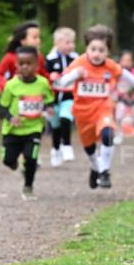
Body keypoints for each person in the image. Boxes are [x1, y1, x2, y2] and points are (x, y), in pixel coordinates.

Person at [53, 25, 134, 189]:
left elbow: (126, 75)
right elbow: (61, 82)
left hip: (103, 108)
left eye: (102, 50)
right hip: (83, 112)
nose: (97, 54)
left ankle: (105, 171)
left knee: (108, 134)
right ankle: (96, 167)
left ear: (108, 51)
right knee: (89, 147)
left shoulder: (110, 66)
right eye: (93, 49)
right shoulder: (79, 63)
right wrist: (76, 75)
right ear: (87, 49)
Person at [0, 46, 54, 200]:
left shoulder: (43, 83)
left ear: (37, 65)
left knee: (31, 158)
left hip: (34, 128)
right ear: (16, 65)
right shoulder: (11, 85)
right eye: (21, 63)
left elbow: (49, 99)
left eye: (29, 63)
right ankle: (14, 164)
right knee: (8, 160)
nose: (25, 67)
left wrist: (49, 108)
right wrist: (11, 118)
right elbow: (2, 107)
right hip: (13, 130)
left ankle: (28, 186)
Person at [45, 27, 78, 166]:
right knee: (56, 126)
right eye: (67, 42)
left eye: (72, 42)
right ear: (57, 43)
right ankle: (56, 149)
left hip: (68, 97)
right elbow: (43, 77)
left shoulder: (76, 59)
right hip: (53, 98)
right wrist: (50, 76)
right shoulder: (50, 59)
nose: (71, 45)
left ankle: (67, 146)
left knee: (66, 118)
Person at [0, 21, 48, 93]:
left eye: (39, 37)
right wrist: (7, 87)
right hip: (17, 96)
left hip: (36, 96)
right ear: (22, 40)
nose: (39, 40)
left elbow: (44, 76)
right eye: (35, 37)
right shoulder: (10, 57)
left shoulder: (39, 57)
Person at [113, 50, 134, 144]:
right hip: (122, 99)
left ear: (132, 62)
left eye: (129, 60)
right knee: (118, 117)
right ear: (120, 61)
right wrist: (114, 96)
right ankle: (118, 134)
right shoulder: (117, 73)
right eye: (124, 60)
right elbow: (113, 85)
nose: (126, 63)